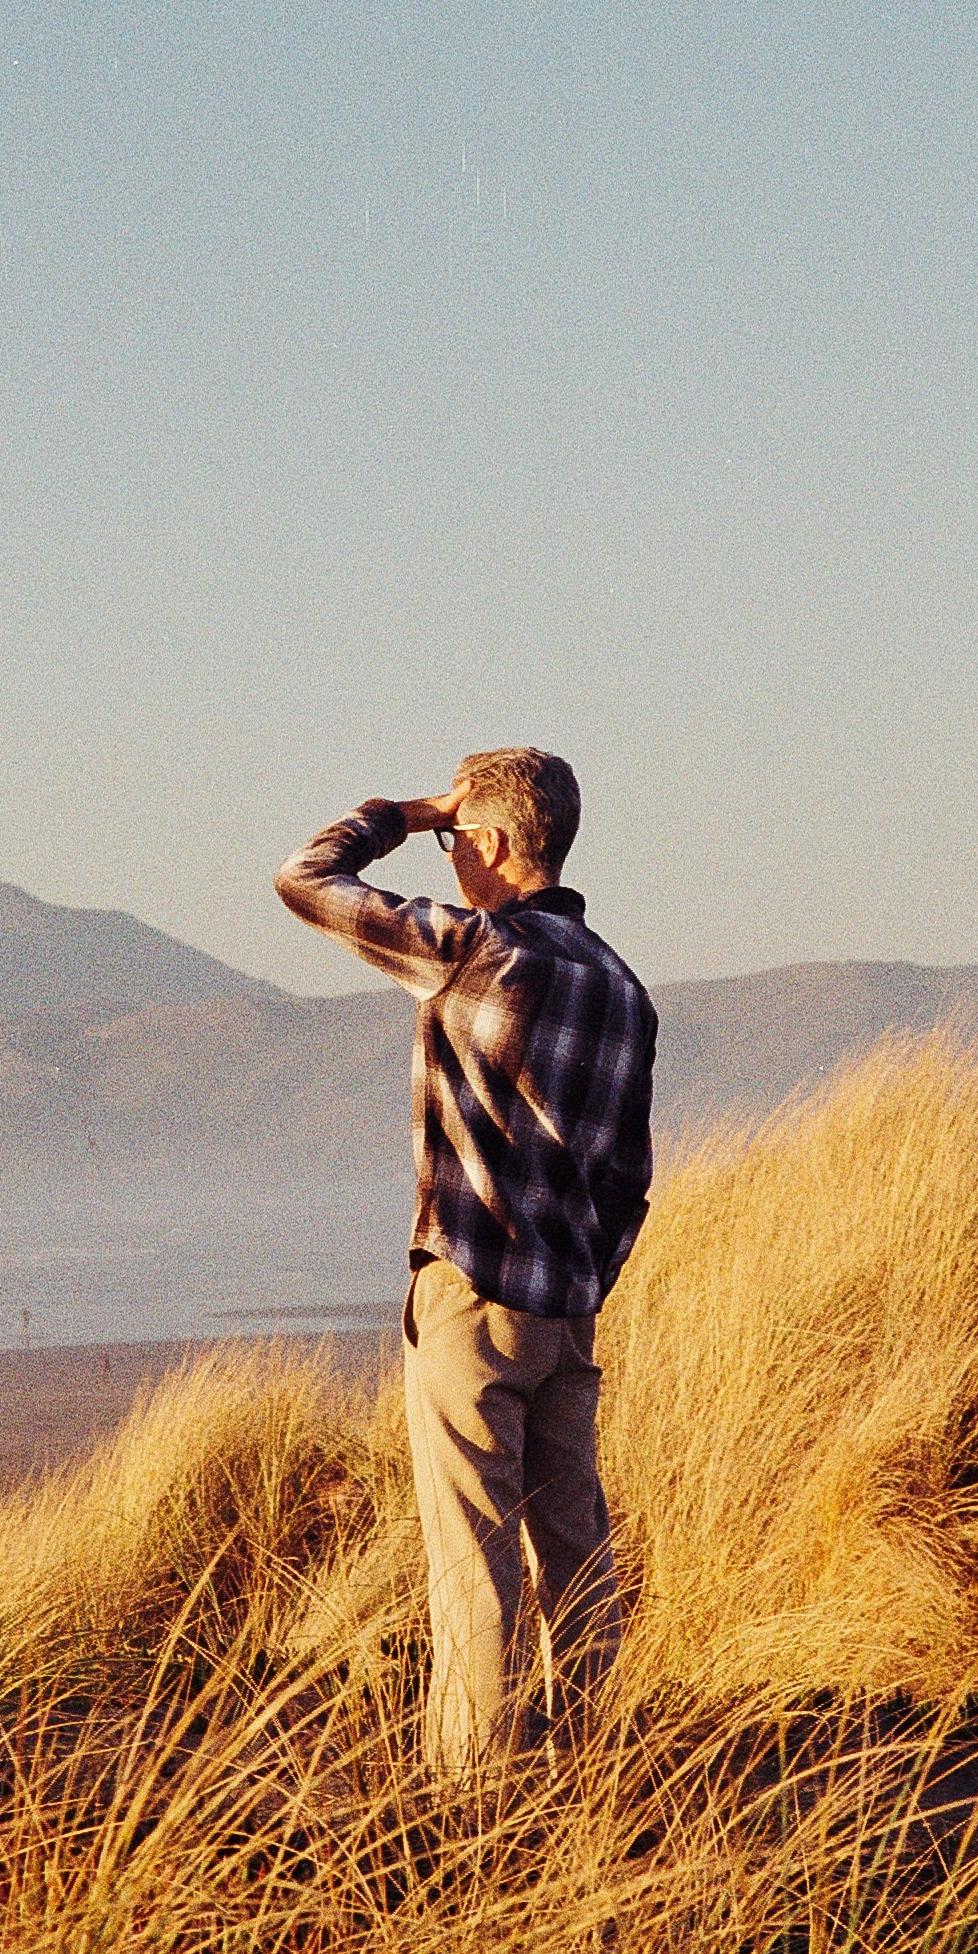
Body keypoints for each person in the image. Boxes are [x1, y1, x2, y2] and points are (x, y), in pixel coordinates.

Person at [275, 748, 656, 1781]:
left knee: (474, 1561)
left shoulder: (475, 949)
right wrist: (580, 1286)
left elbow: (305, 880)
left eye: (455, 840)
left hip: (474, 1293)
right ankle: (594, 1769)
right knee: (575, 1554)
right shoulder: (623, 986)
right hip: (567, 1311)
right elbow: (629, 1184)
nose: (446, 857)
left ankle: (474, 1799)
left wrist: (401, 813)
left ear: (486, 843)